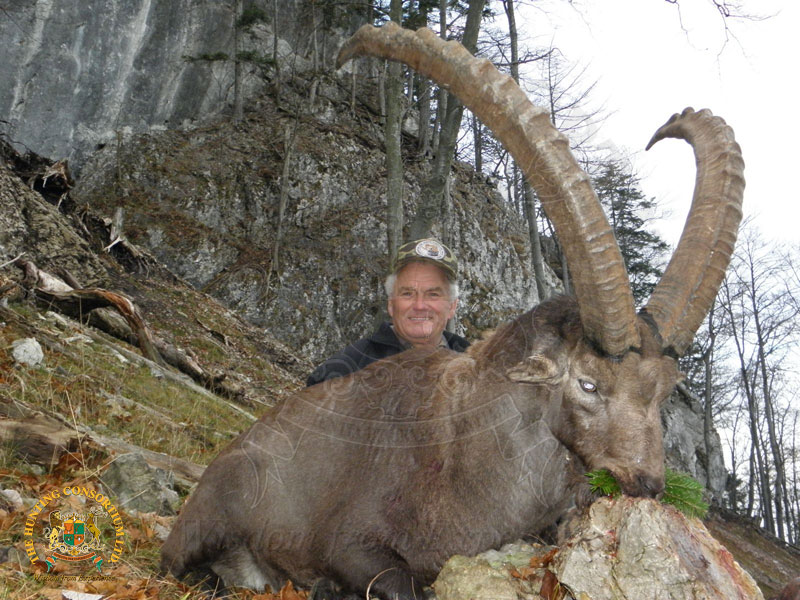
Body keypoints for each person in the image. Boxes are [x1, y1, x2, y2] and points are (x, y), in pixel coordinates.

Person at [306, 238, 470, 386]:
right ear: (391, 304)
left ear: (452, 307)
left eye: (433, 294)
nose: (420, 305)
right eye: (407, 294)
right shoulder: (338, 374)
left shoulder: (478, 368)